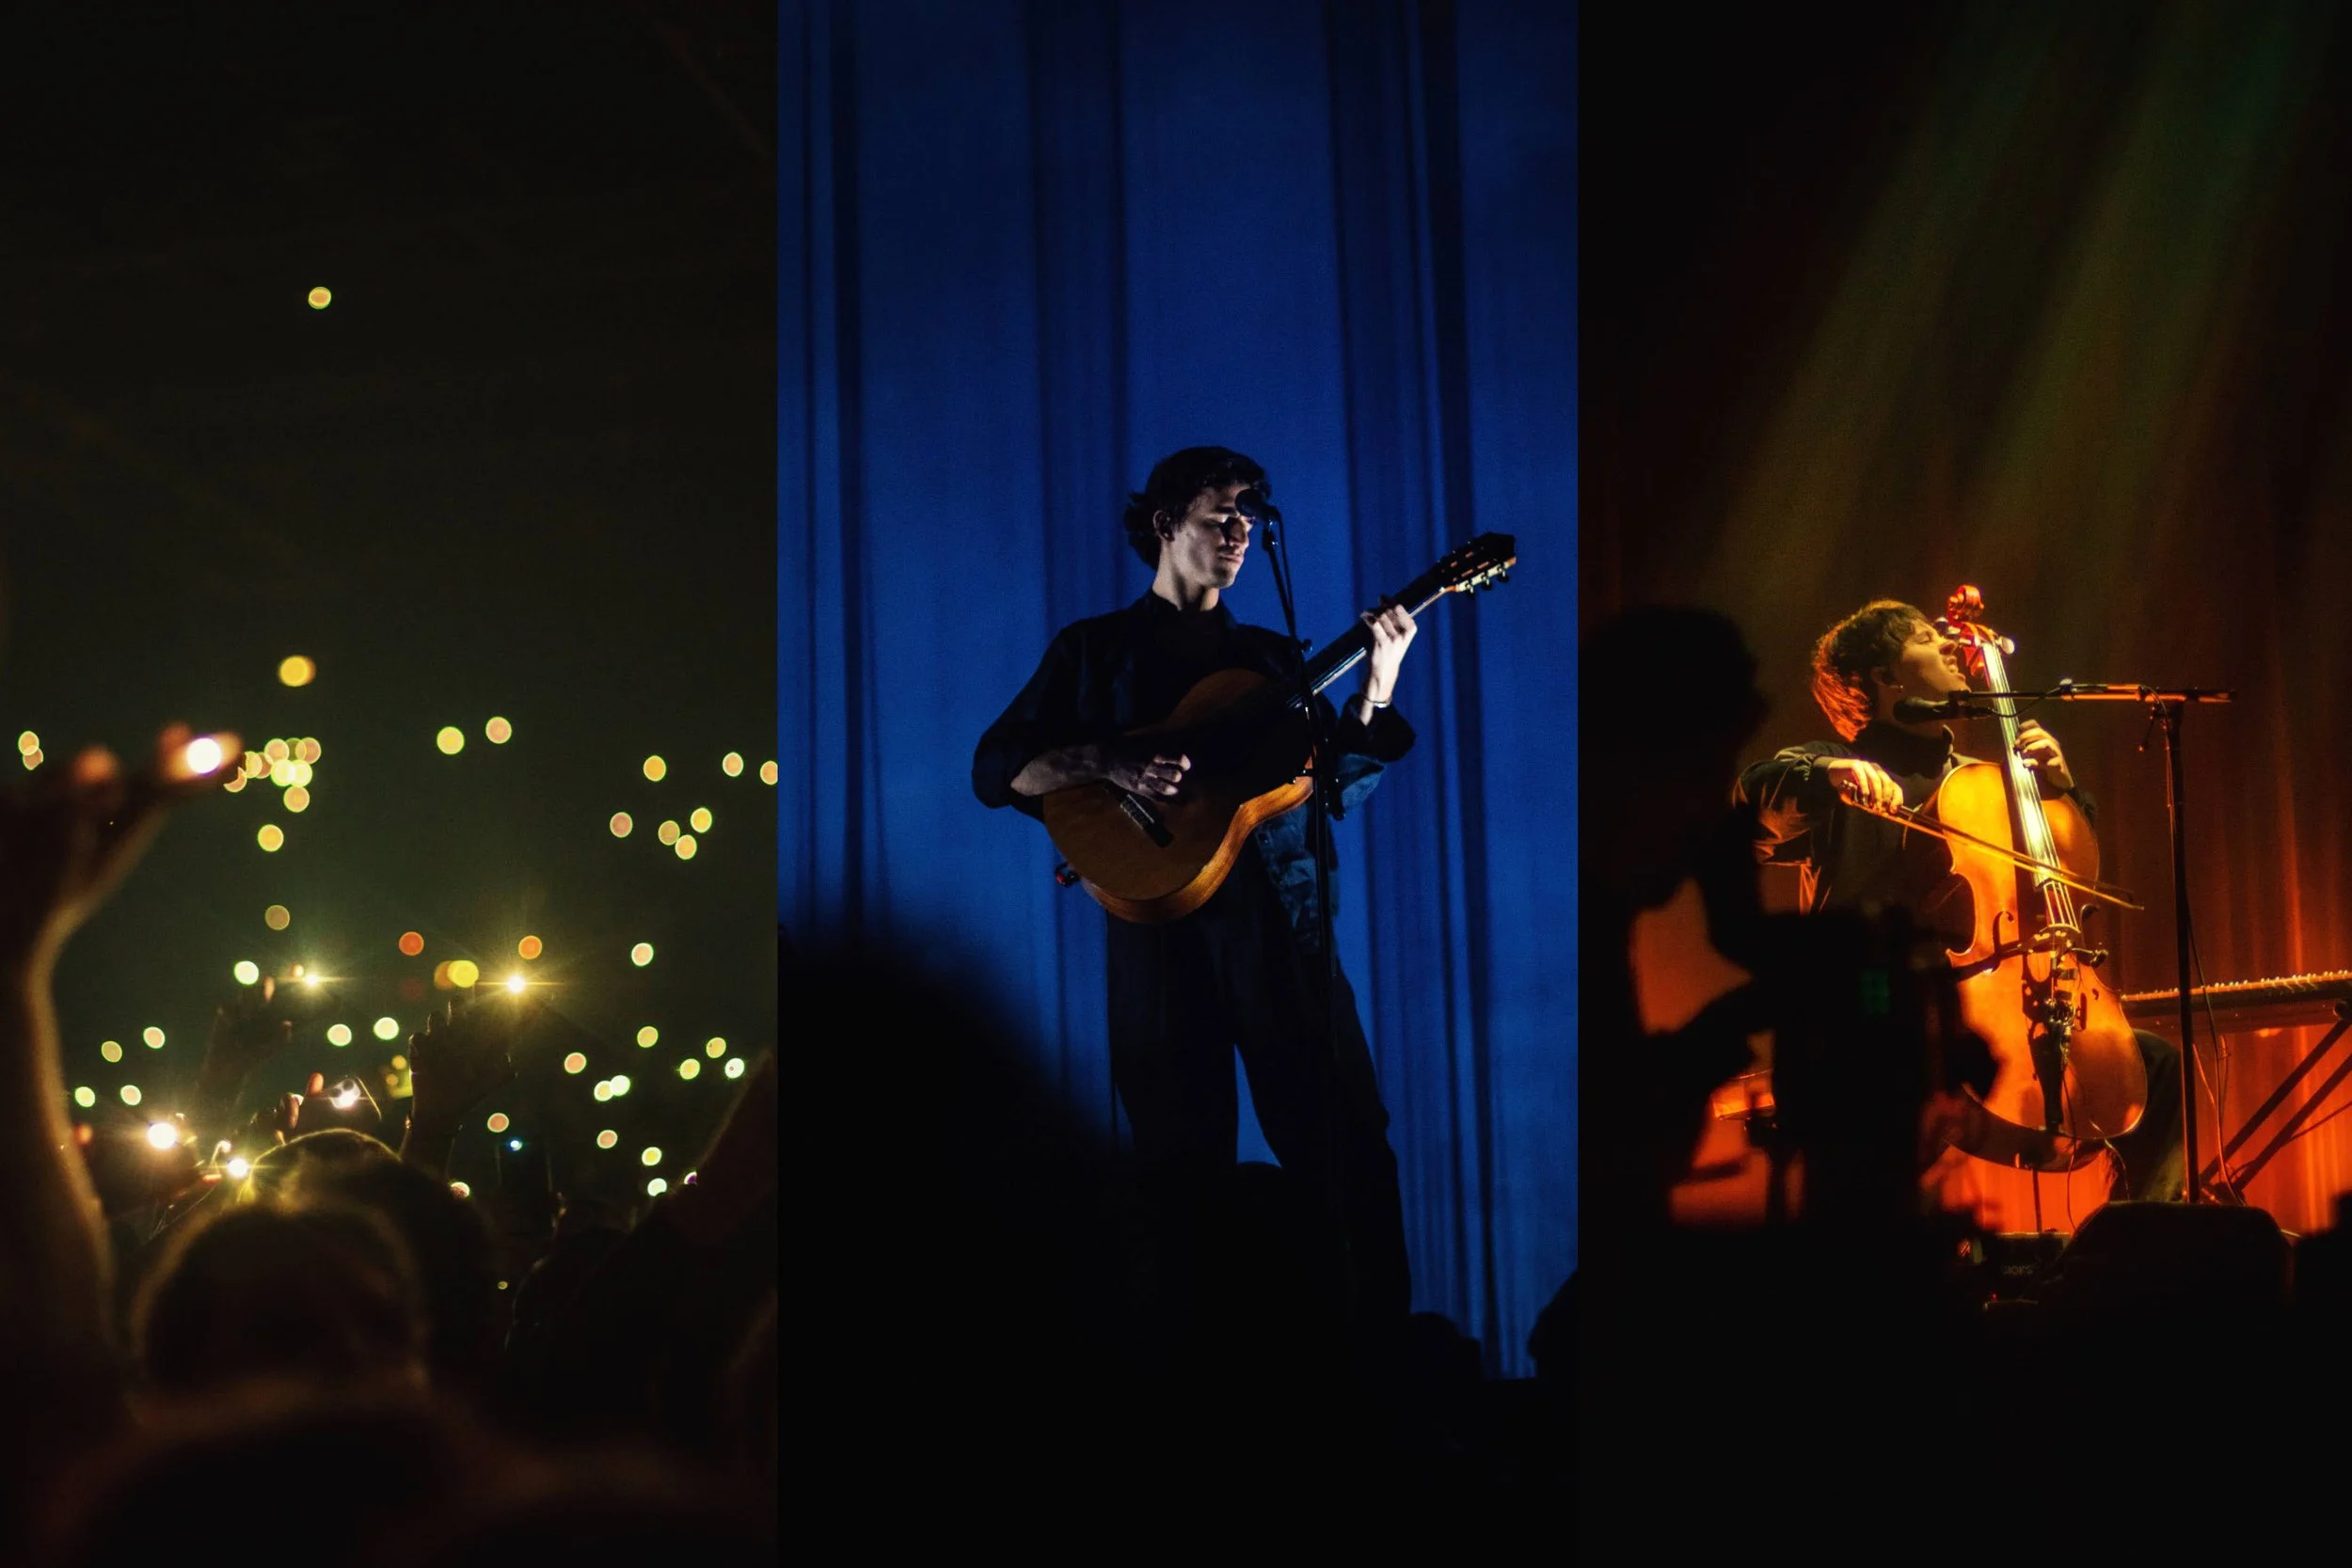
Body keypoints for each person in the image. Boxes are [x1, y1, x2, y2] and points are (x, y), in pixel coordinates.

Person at [971, 445, 1421, 1346]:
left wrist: (1376, 689)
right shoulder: (1093, 652)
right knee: (1177, 1171)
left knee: (1346, 1150)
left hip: (1284, 932)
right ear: (1166, 522)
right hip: (1161, 941)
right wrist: (1107, 756)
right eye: (1221, 514)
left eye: (1250, 519)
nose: (1240, 533)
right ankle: (1190, 1380)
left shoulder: (1271, 657)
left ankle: (1379, 1363)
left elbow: (1333, 787)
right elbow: (997, 769)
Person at [1732, 598, 2185, 1203]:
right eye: (1924, 638)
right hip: (1877, 1024)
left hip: (1987, 1016)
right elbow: (1752, 806)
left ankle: (2133, 1247)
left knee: (2153, 1068)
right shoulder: (1830, 769)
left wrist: (2064, 791)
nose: (1951, 646)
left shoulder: (1987, 782)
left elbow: (2065, 882)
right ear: (1887, 678)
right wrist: (1826, 777)